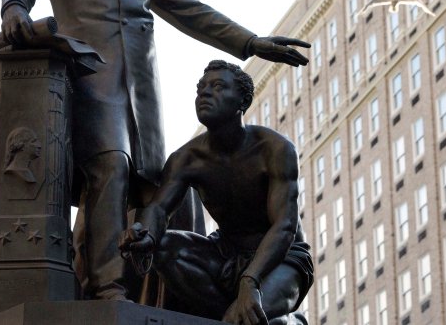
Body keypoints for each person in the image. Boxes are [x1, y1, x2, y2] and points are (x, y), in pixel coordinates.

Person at [0, 0, 309, 300]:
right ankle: (106, 288)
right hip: (91, 81)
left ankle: (164, 296)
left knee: (159, 190)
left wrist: (250, 43)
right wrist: (14, 7)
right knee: (110, 167)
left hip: (142, 98)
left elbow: (189, 8)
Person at [119, 60, 314, 324]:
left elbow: (285, 226)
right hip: (224, 254)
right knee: (164, 246)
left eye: (218, 86)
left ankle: (287, 320)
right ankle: (231, 314)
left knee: (245, 319)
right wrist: (147, 234)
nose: (205, 93)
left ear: (242, 102)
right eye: (201, 88)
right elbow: (159, 209)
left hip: (283, 259)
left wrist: (250, 280)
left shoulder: (275, 150)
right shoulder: (186, 158)